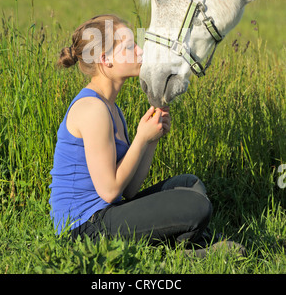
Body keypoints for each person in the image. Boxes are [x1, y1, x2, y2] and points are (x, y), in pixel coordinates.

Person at [49, 14, 245, 257]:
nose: (141, 52)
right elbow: (110, 191)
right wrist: (141, 138)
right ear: (105, 59)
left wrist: (151, 140)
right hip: (82, 230)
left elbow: (128, 191)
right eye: (130, 47)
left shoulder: (111, 108)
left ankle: (182, 247)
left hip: (107, 213)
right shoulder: (93, 109)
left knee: (188, 184)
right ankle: (179, 252)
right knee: (195, 205)